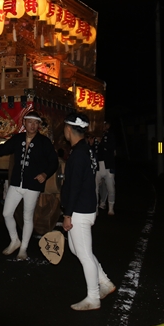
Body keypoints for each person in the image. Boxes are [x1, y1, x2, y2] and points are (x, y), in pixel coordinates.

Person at [0, 111, 58, 260]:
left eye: (36, 123)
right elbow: (1, 149)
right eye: (30, 122)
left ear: (38, 125)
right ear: (24, 123)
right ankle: (15, 240)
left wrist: (45, 174)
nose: (32, 125)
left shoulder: (44, 142)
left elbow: (53, 161)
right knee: (6, 213)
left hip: (33, 184)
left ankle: (24, 248)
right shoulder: (18, 138)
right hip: (16, 183)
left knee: (27, 217)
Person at [61, 112, 116, 311]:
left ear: (68, 130)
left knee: (84, 254)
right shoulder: (87, 149)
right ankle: (105, 283)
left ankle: (93, 297)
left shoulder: (78, 155)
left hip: (80, 210)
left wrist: (67, 215)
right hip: (85, 206)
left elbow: (74, 186)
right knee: (77, 249)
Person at [94, 120, 117, 215]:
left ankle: (111, 207)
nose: (103, 126)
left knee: (111, 188)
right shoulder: (94, 135)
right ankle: (95, 208)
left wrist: (101, 142)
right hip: (98, 165)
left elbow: (112, 148)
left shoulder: (110, 135)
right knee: (95, 188)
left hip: (108, 165)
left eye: (105, 124)